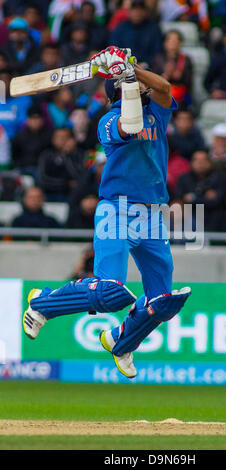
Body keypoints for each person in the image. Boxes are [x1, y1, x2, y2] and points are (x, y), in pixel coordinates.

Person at [22, 45, 191, 379]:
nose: (144, 85)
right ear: (120, 89)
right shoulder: (109, 120)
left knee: (164, 300)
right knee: (110, 290)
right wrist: (125, 75)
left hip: (150, 216)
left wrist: (130, 67)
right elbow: (131, 123)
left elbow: (164, 87)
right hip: (116, 209)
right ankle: (42, 303)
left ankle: (121, 341)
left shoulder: (158, 110)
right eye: (134, 81)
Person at [176, 150, 226, 229]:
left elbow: (217, 201)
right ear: (191, 163)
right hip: (189, 217)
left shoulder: (218, 178)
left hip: (213, 218)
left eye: (204, 160)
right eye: (196, 160)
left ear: (210, 163)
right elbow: (179, 199)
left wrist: (193, 198)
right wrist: (203, 198)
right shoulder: (184, 178)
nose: (200, 163)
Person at [110, 0, 163, 64]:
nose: (137, 13)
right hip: (124, 67)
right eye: (134, 10)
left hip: (148, 68)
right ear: (129, 12)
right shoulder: (120, 28)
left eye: (140, 10)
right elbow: (114, 48)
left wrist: (145, 63)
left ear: (145, 12)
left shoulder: (153, 28)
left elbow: (157, 51)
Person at [151, 30, 193, 105]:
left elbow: (189, 84)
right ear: (165, 43)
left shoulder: (186, 60)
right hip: (161, 96)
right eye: (170, 40)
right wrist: (166, 75)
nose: (173, 43)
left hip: (180, 98)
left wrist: (178, 76)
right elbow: (152, 81)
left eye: (176, 41)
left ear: (180, 43)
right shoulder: (158, 59)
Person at [12, 104, 52, 179]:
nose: (35, 121)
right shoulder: (19, 136)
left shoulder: (49, 135)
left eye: (37, 118)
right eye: (32, 118)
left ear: (42, 120)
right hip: (22, 168)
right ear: (27, 120)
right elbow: (14, 155)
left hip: (41, 169)